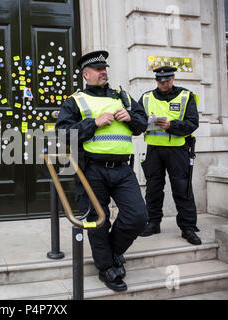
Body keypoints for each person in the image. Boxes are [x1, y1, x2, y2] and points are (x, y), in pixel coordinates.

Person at [55, 50, 148, 292]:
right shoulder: (74, 101)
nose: (103, 72)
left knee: (138, 217)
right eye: (97, 69)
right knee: (97, 221)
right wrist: (94, 123)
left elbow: (141, 124)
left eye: (104, 68)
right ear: (86, 74)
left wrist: (130, 118)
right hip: (91, 170)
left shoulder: (123, 96)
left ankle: (114, 251)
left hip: (123, 169)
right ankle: (106, 267)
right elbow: (64, 134)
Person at [138, 66, 201, 245]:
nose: (163, 84)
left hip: (178, 149)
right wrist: (146, 121)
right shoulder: (146, 97)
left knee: (183, 189)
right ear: (156, 80)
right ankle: (153, 222)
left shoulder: (186, 96)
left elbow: (192, 123)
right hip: (154, 150)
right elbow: (137, 120)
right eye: (160, 81)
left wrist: (171, 126)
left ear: (173, 78)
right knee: (153, 188)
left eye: (166, 80)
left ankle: (188, 227)